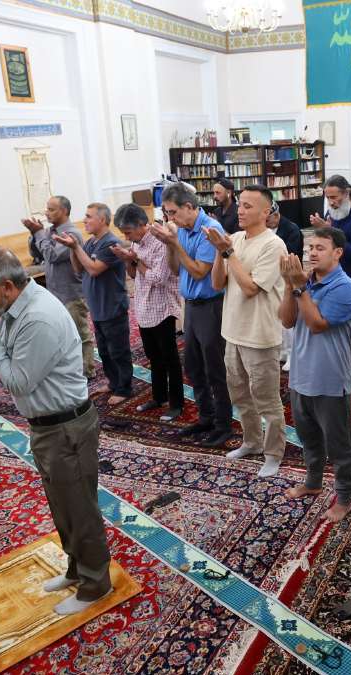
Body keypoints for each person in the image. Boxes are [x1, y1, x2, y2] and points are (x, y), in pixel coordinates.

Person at [0, 247, 112, 615]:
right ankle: (78, 570)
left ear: (8, 286)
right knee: (63, 506)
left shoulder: (38, 318)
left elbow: (17, 380)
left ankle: (97, 585)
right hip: (49, 425)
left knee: (80, 508)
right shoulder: (16, 309)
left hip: (66, 427)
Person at [205, 185, 289, 476]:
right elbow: (217, 284)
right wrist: (221, 254)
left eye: (248, 206)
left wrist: (228, 252)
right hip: (233, 331)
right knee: (240, 395)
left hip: (260, 335)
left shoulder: (273, 245)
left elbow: (252, 288)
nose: (240, 210)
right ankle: (252, 442)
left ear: (266, 212)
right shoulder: (236, 239)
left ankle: (274, 453)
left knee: (266, 398)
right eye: (240, 205)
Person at [279, 227, 351, 522]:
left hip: (329, 379)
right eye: (309, 247)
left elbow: (316, 324)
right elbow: (287, 320)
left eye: (320, 247)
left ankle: (345, 495)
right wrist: (291, 286)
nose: (312, 253)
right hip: (301, 376)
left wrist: (299, 288)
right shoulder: (305, 282)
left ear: (337, 252)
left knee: (338, 445)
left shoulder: (345, 287)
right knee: (308, 437)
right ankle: (312, 483)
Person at [151, 183, 233, 448]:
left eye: (173, 212)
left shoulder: (211, 230)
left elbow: (199, 271)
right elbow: (176, 270)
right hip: (192, 306)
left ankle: (223, 425)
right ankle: (205, 417)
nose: (170, 218)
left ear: (189, 206)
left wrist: (175, 242)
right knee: (194, 366)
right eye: (167, 213)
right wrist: (168, 244)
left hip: (211, 306)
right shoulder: (183, 230)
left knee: (215, 367)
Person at [310, 175, 351, 439]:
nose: (332, 201)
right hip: (334, 281)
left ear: (348, 193)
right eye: (328, 197)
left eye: (335, 196)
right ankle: (344, 366)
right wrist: (326, 230)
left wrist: (328, 231)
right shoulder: (333, 214)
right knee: (338, 329)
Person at [106, 203, 184, 422]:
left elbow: (158, 279)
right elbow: (134, 275)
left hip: (162, 306)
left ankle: (176, 403)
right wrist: (128, 259)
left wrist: (136, 260)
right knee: (153, 357)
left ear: (142, 225)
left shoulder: (160, 241)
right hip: (143, 306)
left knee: (170, 359)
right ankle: (159, 397)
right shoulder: (136, 241)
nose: (126, 235)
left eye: (128, 231)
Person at [55, 203, 132, 405]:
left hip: (113, 306)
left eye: (89, 216)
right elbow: (78, 269)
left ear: (103, 220)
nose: (85, 220)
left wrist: (75, 246)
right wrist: (73, 249)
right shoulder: (90, 243)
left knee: (118, 350)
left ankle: (124, 388)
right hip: (98, 308)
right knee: (105, 350)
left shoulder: (110, 243)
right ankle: (114, 382)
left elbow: (94, 269)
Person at [23, 195, 94, 379]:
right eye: (47, 208)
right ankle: (69, 368)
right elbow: (37, 254)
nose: (47, 212)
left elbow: (52, 255)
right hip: (55, 293)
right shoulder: (49, 231)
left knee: (80, 333)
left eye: (51, 209)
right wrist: (34, 233)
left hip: (71, 293)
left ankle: (86, 371)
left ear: (64, 211)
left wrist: (39, 233)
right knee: (61, 333)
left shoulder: (71, 234)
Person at [268, 200, 305, 368]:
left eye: (268, 220)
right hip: (272, 277)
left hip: (289, 278)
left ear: (276, 216)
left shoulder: (292, 229)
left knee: (289, 318)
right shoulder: (266, 228)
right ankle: (283, 350)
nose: (265, 224)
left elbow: (290, 255)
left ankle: (292, 353)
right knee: (277, 315)